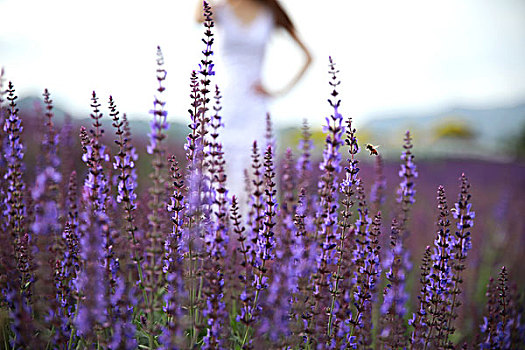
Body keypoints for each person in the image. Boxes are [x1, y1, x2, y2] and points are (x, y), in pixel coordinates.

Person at [195, 0, 312, 205]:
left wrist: (278, 91)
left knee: (258, 172)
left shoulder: (269, 12)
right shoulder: (223, 10)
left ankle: (254, 233)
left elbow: (308, 56)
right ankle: (217, 233)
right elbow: (197, 17)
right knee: (217, 171)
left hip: (255, 105)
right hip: (225, 103)